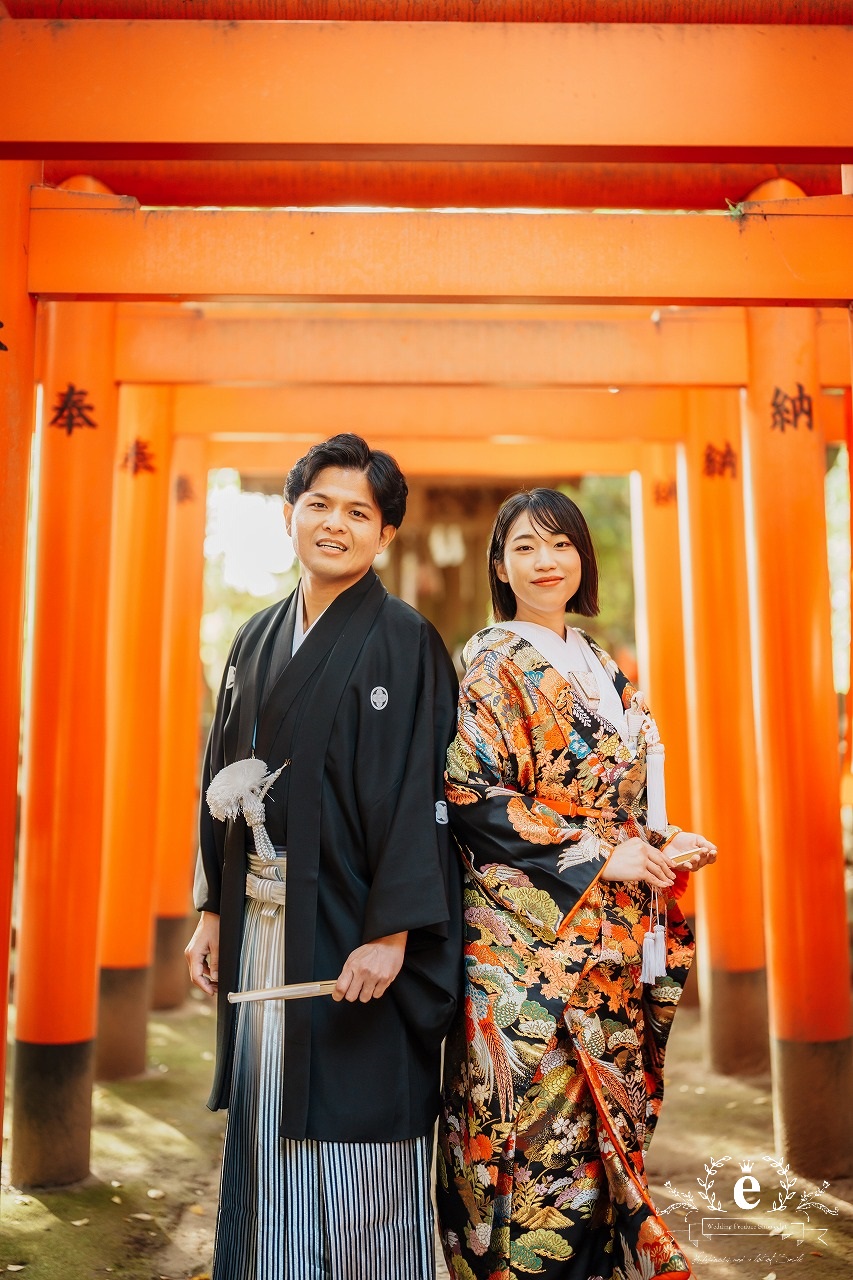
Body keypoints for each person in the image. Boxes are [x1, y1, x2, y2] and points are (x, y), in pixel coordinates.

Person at [185, 433, 462, 1280]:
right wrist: (209, 912)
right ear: (287, 515)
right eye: (319, 505)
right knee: (269, 1115)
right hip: (265, 924)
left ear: (385, 536)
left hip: (355, 932)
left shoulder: (406, 641)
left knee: (357, 1127)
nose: (334, 525)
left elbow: (424, 796)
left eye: (358, 513)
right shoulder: (252, 639)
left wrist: (396, 933)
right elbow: (219, 776)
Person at [435, 488, 716, 1280]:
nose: (544, 561)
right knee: (534, 1130)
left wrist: (660, 841)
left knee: (597, 1143)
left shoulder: (597, 659)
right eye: (523, 547)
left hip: (609, 938)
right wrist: (598, 857)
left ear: (581, 558)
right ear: (500, 566)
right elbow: (472, 796)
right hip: (528, 946)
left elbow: (613, 800)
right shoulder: (490, 659)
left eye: (559, 545)